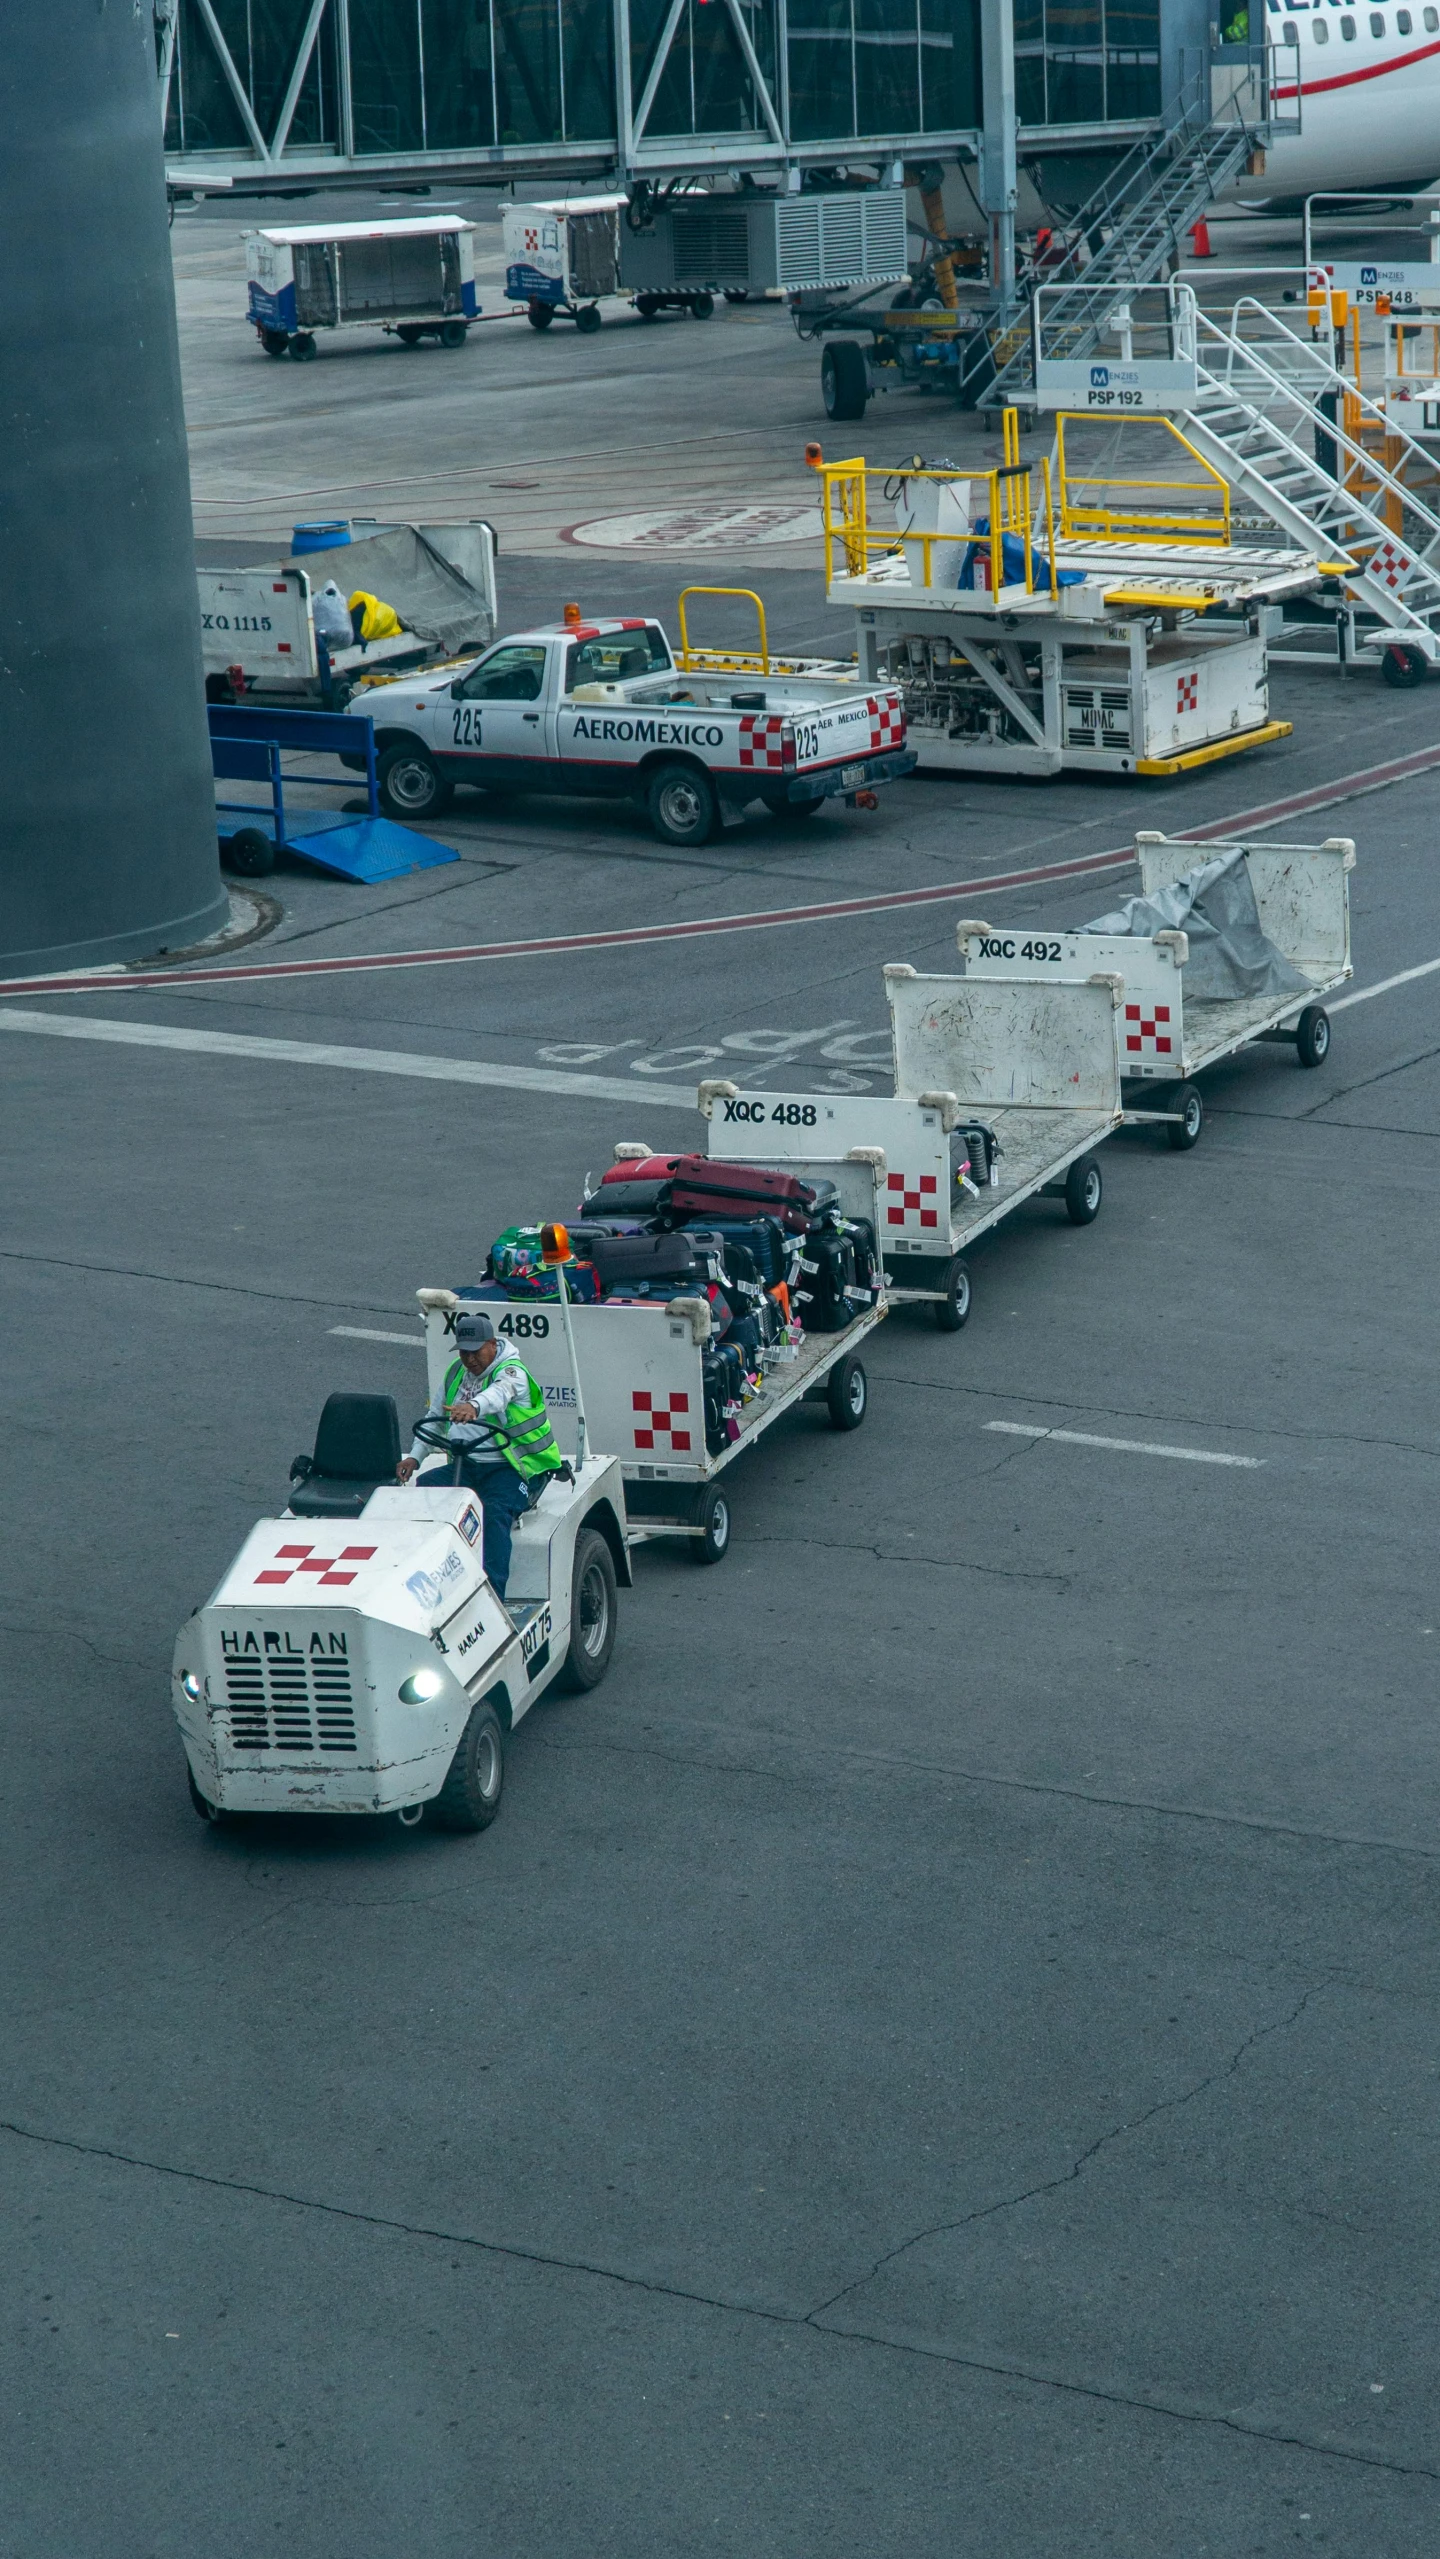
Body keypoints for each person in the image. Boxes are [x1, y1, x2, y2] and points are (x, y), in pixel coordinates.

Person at [397, 1312, 566, 1598]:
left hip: (510, 1470)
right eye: (464, 1352)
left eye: (476, 1352)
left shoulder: (512, 1372)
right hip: (467, 1465)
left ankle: (493, 1595)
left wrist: (474, 1406)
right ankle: (427, 1584)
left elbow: (500, 1394)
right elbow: (436, 1417)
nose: (470, 1359)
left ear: (491, 1344)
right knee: (423, 1493)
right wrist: (415, 1457)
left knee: (494, 1514)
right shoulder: (455, 1372)